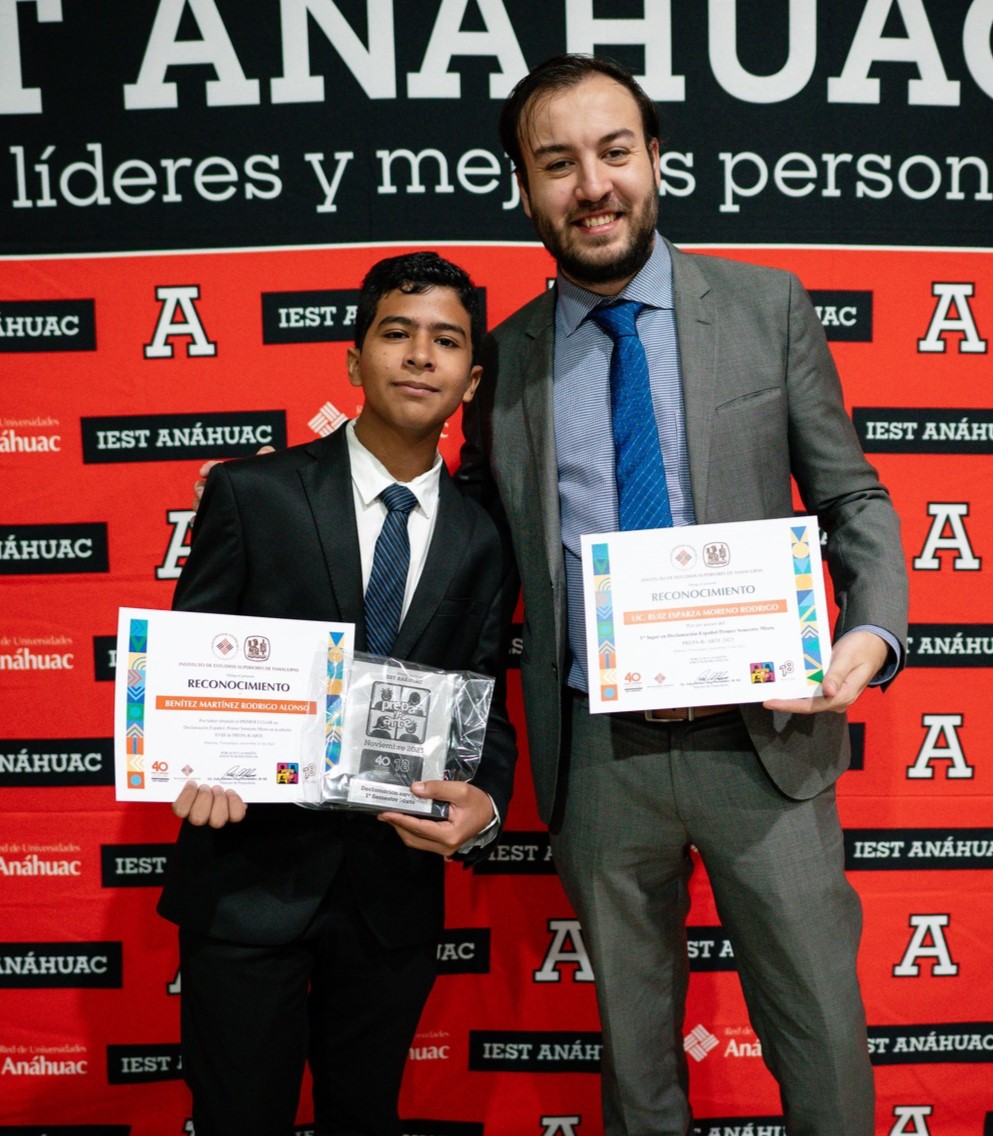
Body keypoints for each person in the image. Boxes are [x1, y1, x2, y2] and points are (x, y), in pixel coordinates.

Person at [457, 54, 910, 1136]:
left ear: (654, 158)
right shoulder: (504, 359)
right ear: (523, 188)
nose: (592, 185)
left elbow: (854, 495)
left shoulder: (764, 308)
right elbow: (468, 560)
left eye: (614, 152)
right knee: (636, 1060)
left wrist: (873, 631)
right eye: (556, 163)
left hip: (764, 745)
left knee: (821, 1040)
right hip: (597, 760)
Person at [159, 251, 518, 1136]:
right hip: (247, 878)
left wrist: (491, 805)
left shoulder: (485, 538)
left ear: (471, 380)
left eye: (445, 341)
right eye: (396, 333)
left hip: (390, 894)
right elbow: (191, 668)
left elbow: (483, 705)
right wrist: (191, 763)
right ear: (354, 361)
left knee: (365, 1117)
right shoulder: (253, 493)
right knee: (240, 1119)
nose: (419, 356)